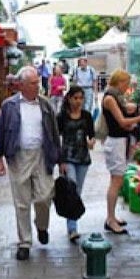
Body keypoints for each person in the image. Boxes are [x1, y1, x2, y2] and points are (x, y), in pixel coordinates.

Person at [0, 66, 65, 261]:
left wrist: (61, 160)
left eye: (38, 82)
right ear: (21, 86)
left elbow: (55, 133)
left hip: (42, 155)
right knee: (21, 202)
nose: (37, 86)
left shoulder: (46, 105)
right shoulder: (9, 106)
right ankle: (24, 242)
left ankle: (41, 226)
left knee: (45, 196)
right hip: (18, 157)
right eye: (33, 83)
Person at [100, 70, 140, 235]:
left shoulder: (116, 97)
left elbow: (127, 112)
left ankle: (112, 217)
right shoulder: (110, 98)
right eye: (126, 83)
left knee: (116, 181)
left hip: (120, 142)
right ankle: (110, 219)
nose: (127, 87)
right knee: (116, 182)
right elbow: (123, 121)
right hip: (115, 142)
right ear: (120, 82)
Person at [56, 85, 95, 242]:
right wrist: (60, 161)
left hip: (83, 158)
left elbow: (92, 135)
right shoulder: (62, 117)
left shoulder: (86, 116)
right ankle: (72, 228)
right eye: (76, 98)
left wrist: (92, 141)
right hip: (68, 158)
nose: (79, 101)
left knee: (77, 191)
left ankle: (72, 223)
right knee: (70, 190)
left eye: (81, 98)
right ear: (69, 98)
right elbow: (56, 139)